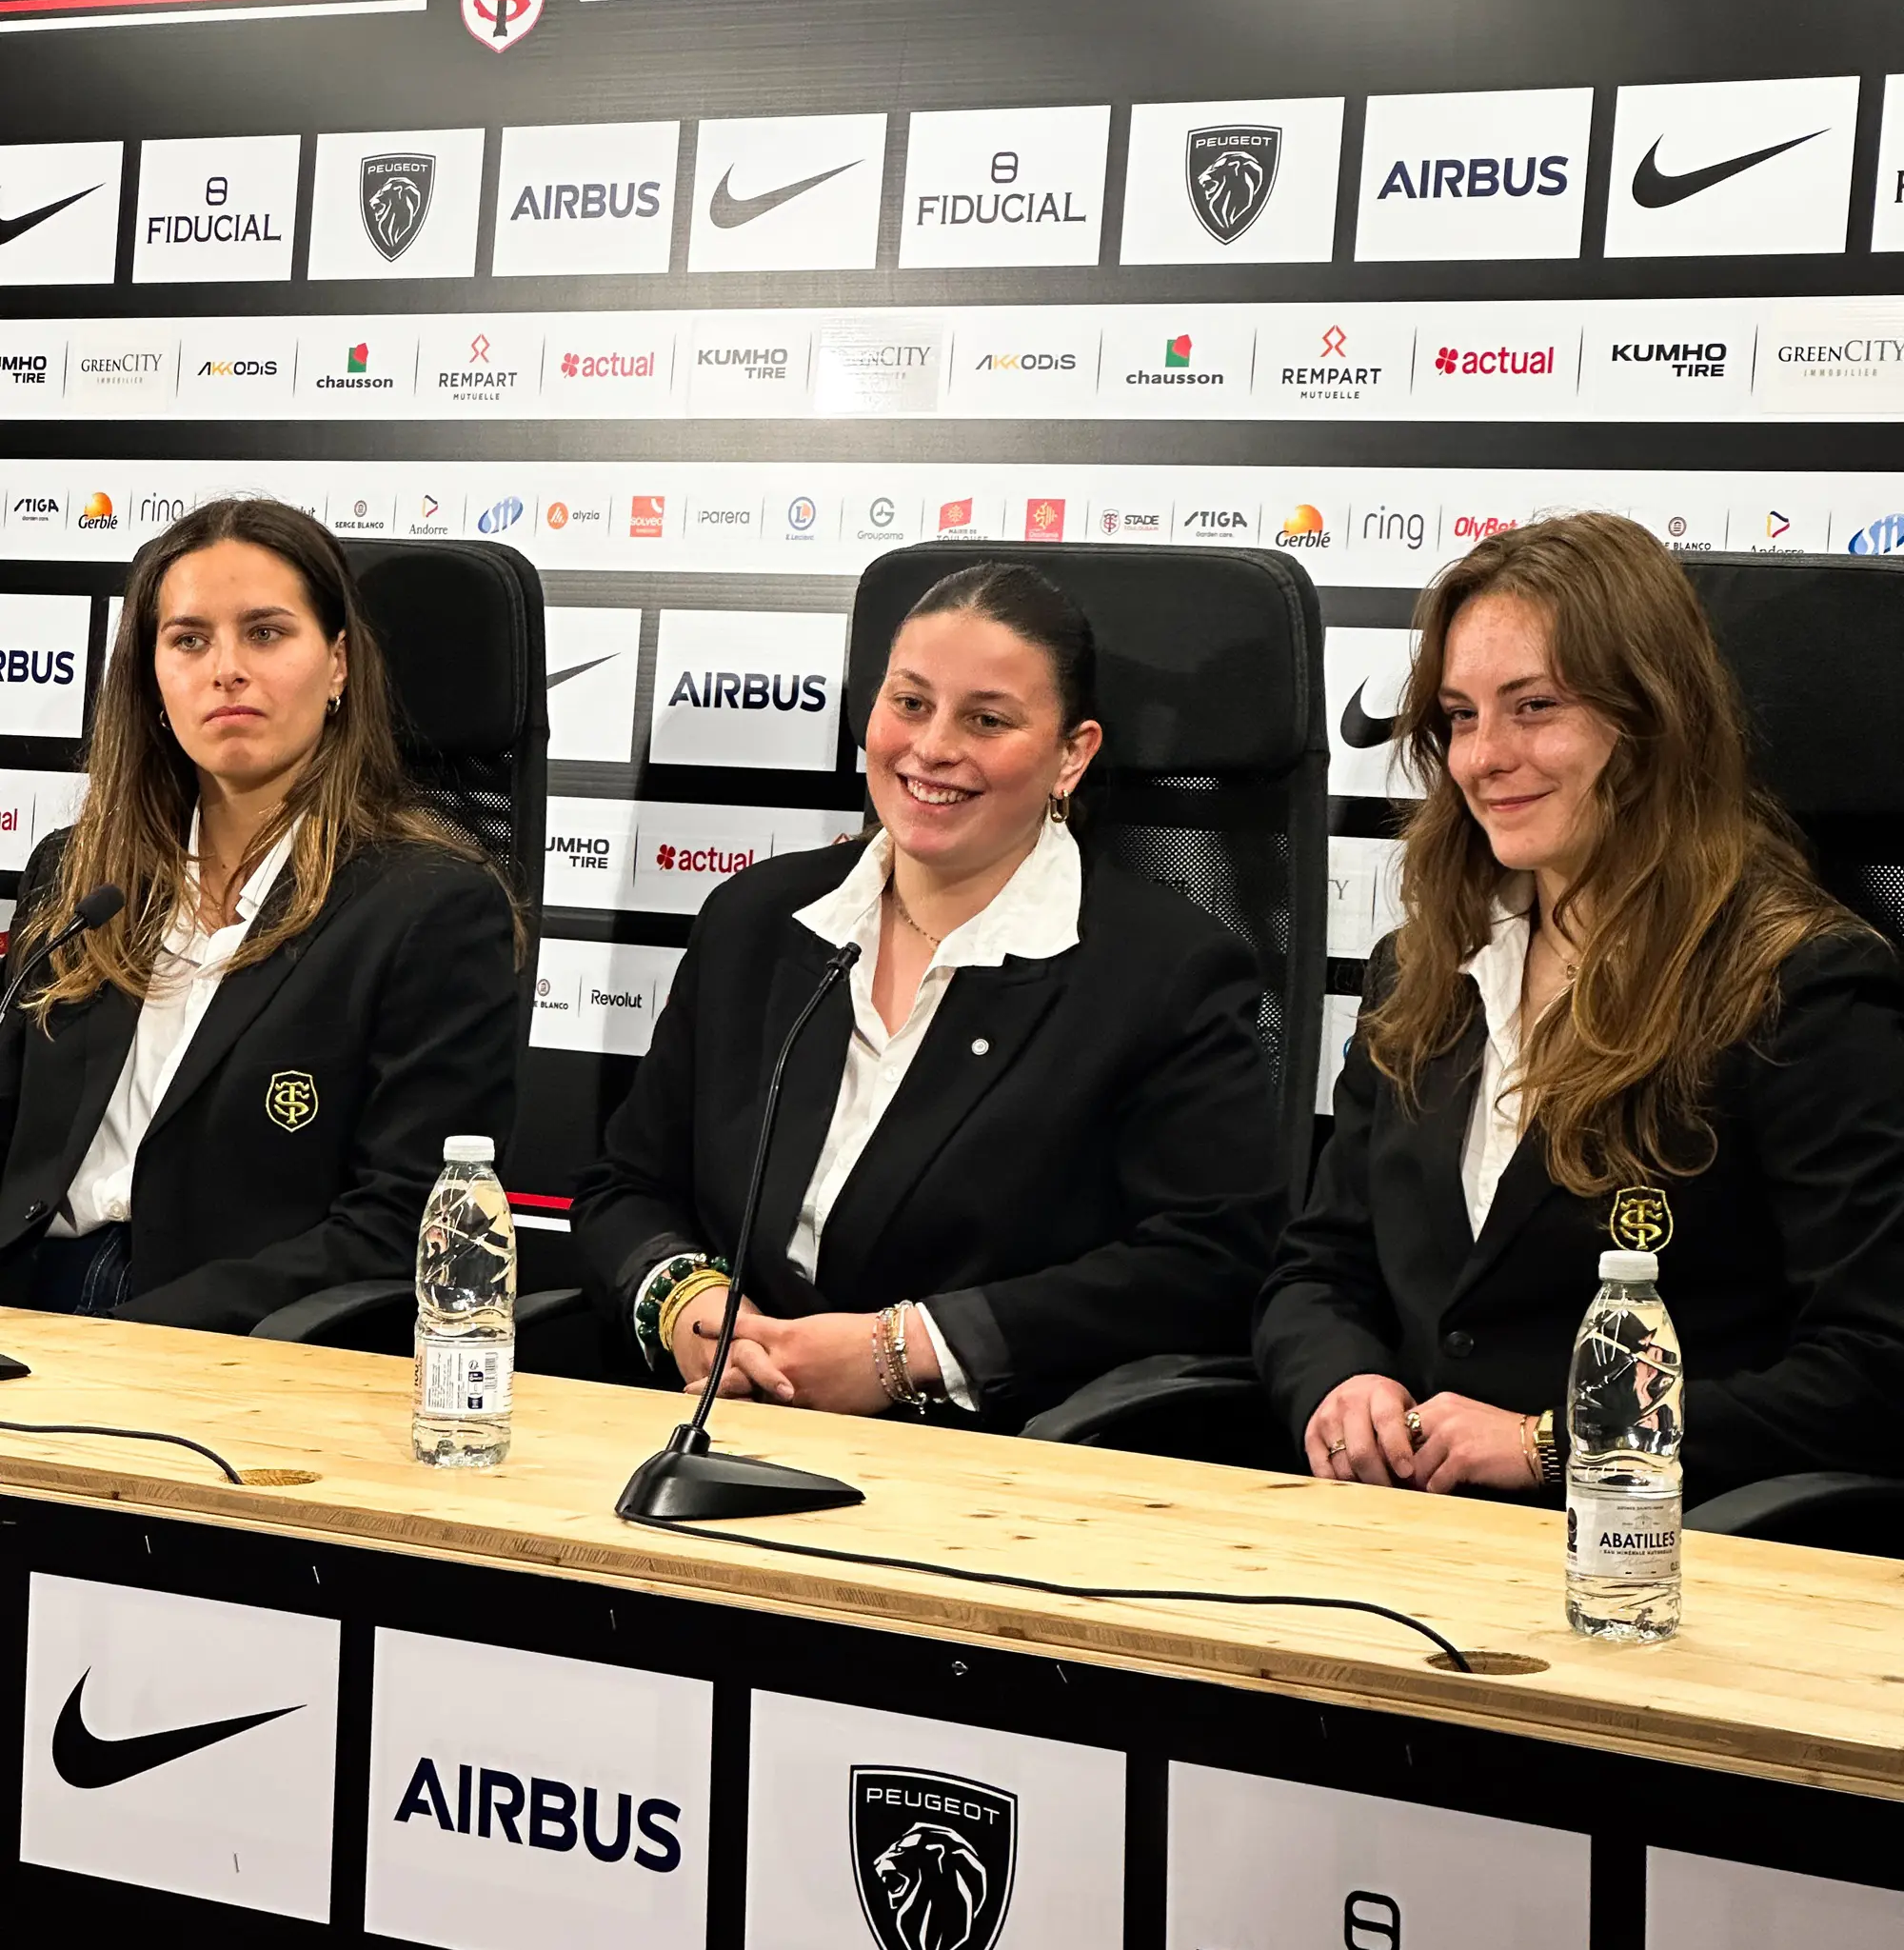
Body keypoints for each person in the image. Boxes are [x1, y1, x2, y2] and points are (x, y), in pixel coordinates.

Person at [1256, 510, 1904, 1508]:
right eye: (1460, 716)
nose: (1482, 757)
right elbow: (1318, 1268)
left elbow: (1872, 1368)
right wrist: (1339, 1381)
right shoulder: (1418, 970)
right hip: (1399, 1533)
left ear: (1649, 719)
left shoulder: (1796, 989)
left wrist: (1559, 1442)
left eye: (1534, 707)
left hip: (1657, 1548)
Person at [572, 560, 1281, 1428]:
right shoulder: (757, 920)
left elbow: (1207, 1263)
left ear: (1073, 755)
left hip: (987, 1453)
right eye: (909, 703)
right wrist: (688, 1306)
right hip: (714, 1420)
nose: (933, 747)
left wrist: (904, 1352)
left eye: (986, 719)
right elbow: (626, 1186)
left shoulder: (1166, 970)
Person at [0, 497, 521, 1332]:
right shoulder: (75, 877)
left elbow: (404, 1225)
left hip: (228, 1331)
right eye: (189, 640)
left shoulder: (431, 906)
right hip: (27, 1303)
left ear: (339, 665)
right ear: (152, 675)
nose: (226, 670)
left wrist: (135, 1338)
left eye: (266, 633)